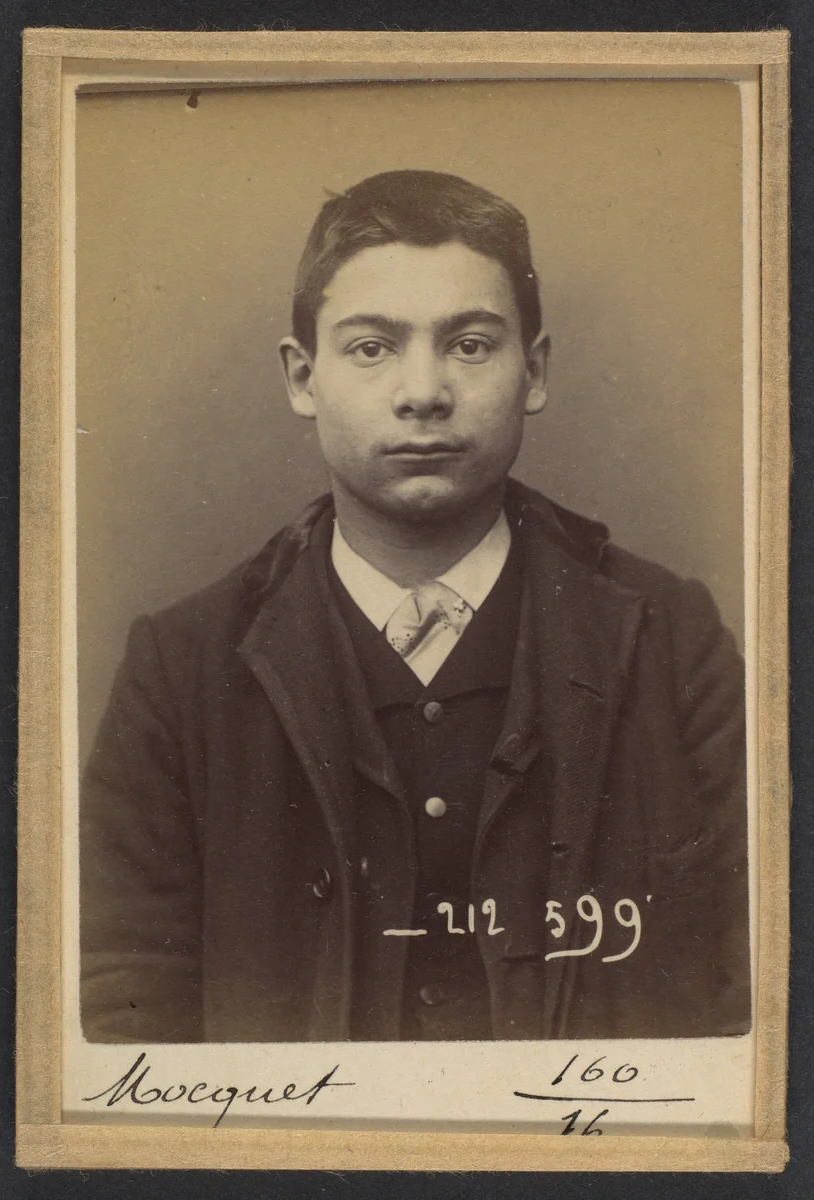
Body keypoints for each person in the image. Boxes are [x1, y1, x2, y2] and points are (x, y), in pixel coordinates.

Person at [80, 169, 751, 1044]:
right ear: (301, 377)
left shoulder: (671, 636)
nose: (423, 391)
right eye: (371, 347)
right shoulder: (179, 668)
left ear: (534, 371)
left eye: (470, 344)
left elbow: (763, 975)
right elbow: (120, 1009)